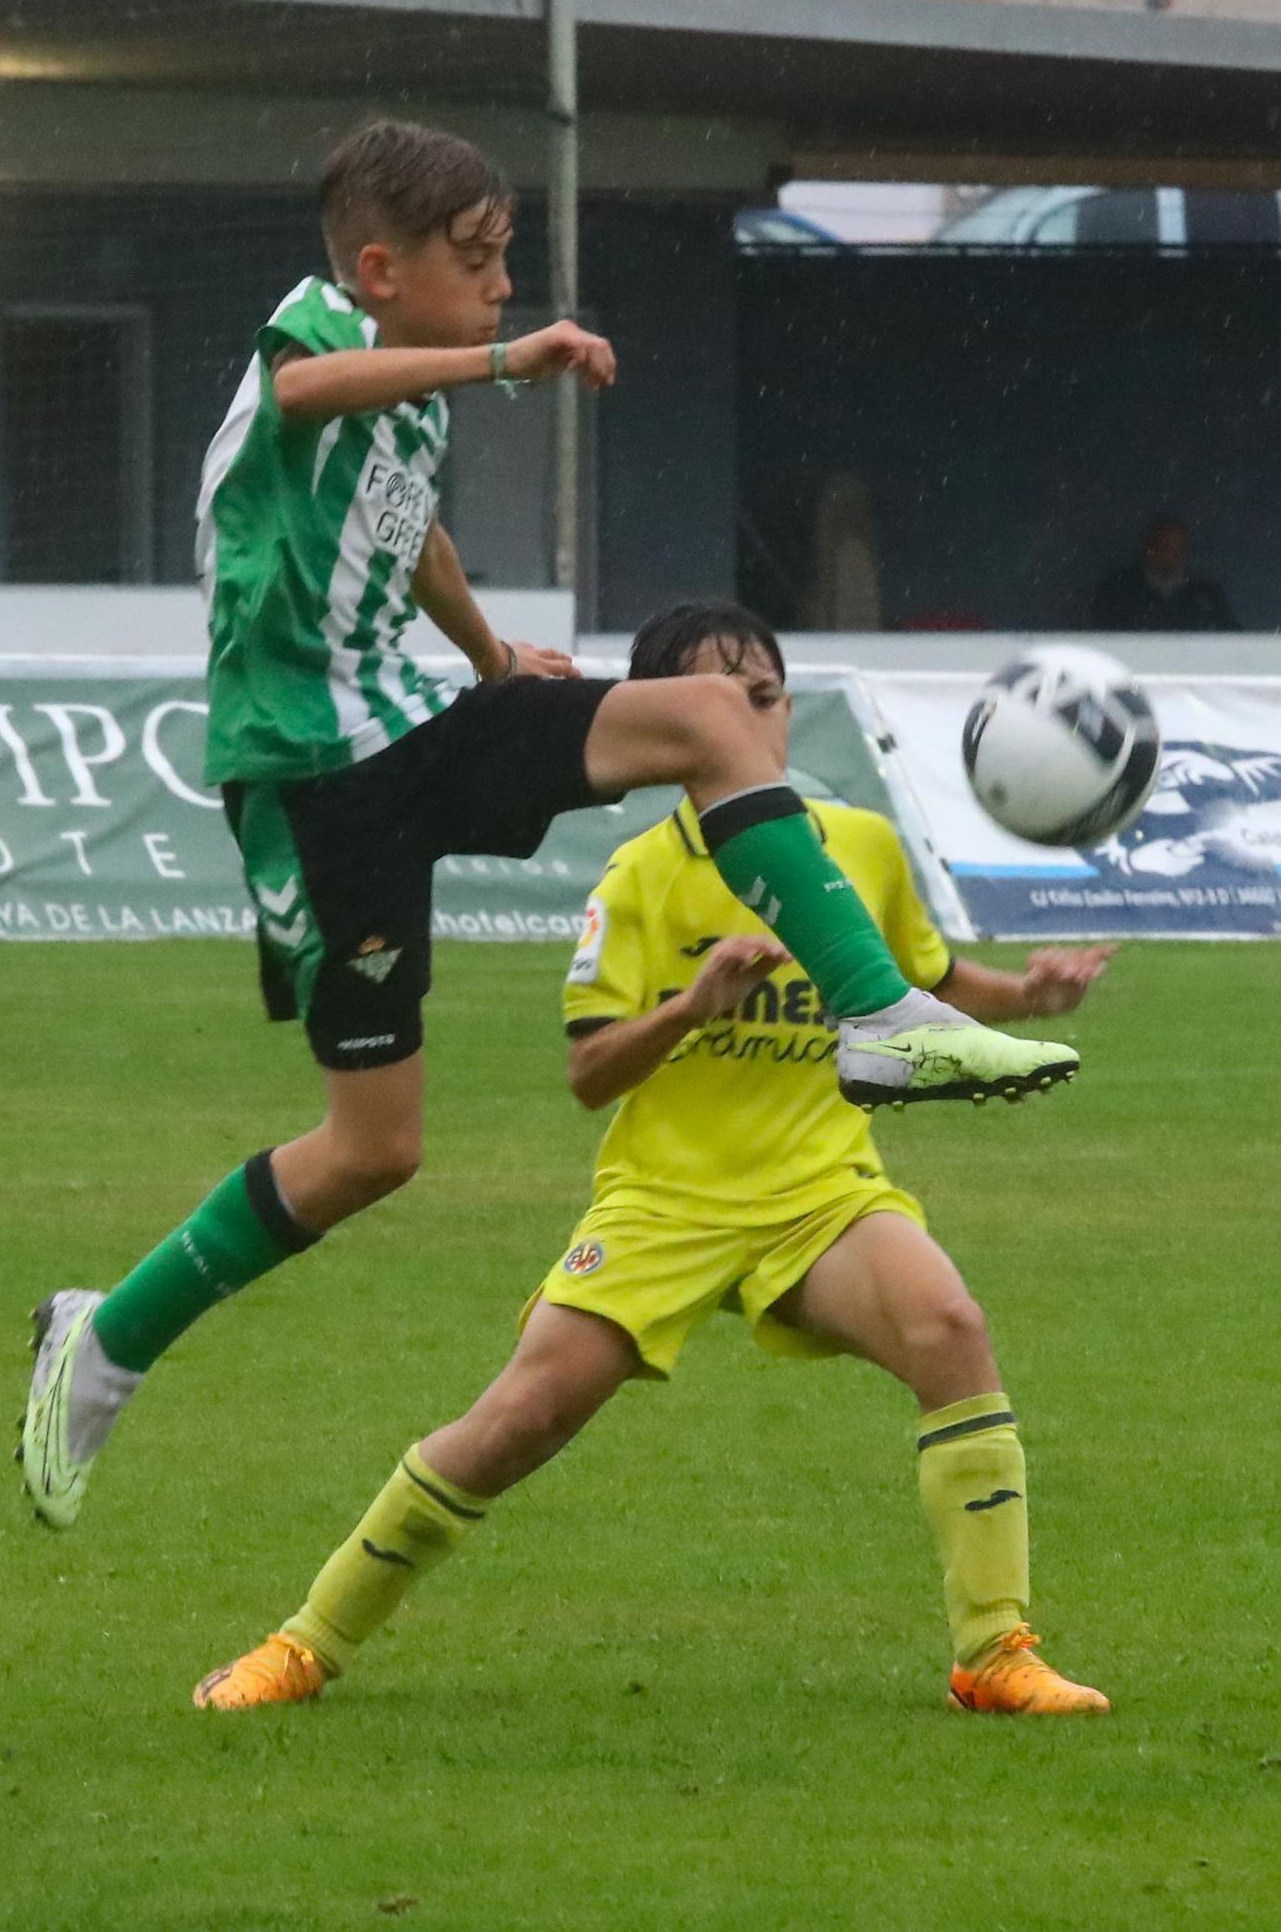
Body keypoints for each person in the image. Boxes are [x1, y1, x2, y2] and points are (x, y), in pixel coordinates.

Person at [19, 122, 1077, 1534]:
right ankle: (109, 1336)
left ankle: (877, 1012)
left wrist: (491, 661)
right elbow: (308, 394)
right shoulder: (319, 329)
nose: (504, 288)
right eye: (478, 262)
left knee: (705, 718)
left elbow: (410, 533)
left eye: (509, 264)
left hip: (410, 723)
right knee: (371, 1150)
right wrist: (504, 363)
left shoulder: (416, 393)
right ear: (382, 270)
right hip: (313, 774)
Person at [193, 601, 1111, 1719]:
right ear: (667, 723)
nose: (750, 718)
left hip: (819, 1196)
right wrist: (692, 1004)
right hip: (663, 1204)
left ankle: (994, 1652)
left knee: (950, 1328)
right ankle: (301, 1646)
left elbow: (927, 974)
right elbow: (588, 1075)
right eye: (722, 700)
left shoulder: (856, 846)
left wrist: (1027, 993)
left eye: (763, 696)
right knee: (514, 1421)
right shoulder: (635, 876)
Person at [1094, 516, 1236, 632]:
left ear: (1184, 550)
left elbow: (1230, 639)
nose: (1168, 553)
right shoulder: (1119, 591)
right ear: (1149, 547)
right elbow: (1100, 640)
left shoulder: (1206, 595)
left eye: (1175, 546)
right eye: (1163, 545)